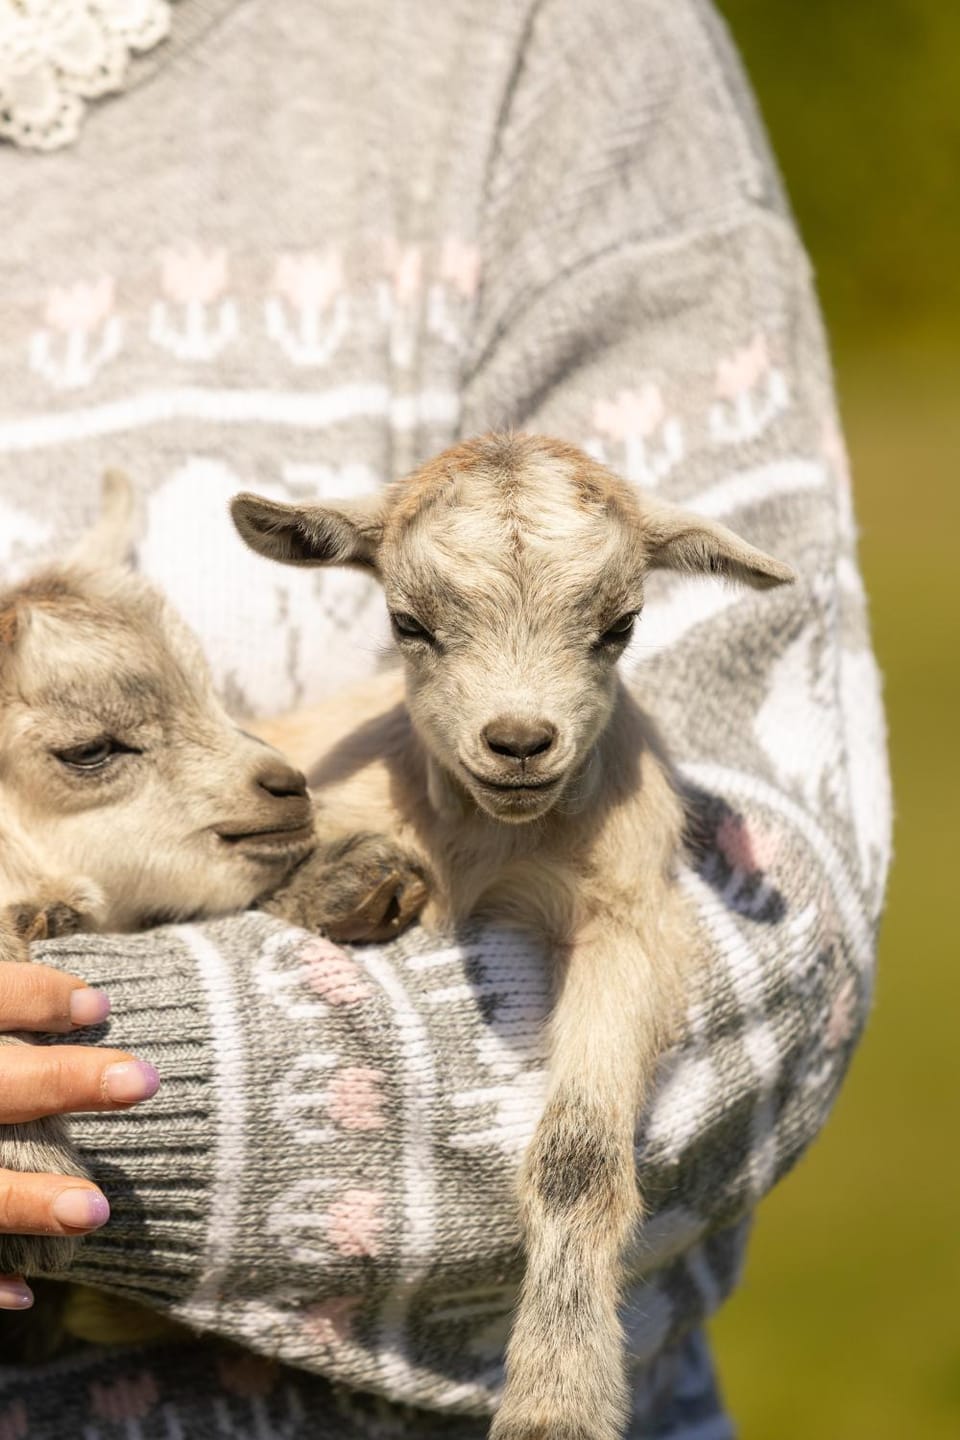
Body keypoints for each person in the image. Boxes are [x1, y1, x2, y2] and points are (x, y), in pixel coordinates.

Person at [0, 0, 891, 1434]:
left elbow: (775, 945)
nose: (523, 724)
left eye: (602, 633)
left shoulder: (549, 40)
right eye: (426, 625)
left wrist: (72, 1094)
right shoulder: (327, 758)